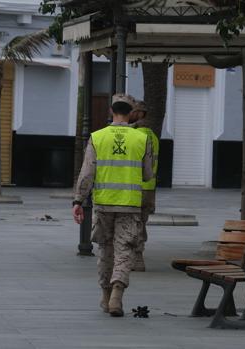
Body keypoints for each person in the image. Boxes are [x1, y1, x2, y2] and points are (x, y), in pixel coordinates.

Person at [72, 94, 153, 317]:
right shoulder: (141, 139)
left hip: (104, 204)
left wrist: (78, 200)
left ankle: (105, 295)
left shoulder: (97, 137)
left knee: (105, 249)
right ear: (131, 114)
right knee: (124, 249)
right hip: (130, 205)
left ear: (111, 111)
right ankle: (117, 293)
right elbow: (148, 175)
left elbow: (87, 172)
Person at [131, 100, 160, 272]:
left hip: (137, 187)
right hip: (149, 188)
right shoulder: (153, 136)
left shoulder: (137, 135)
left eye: (133, 111)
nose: (130, 114)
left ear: (141, 114)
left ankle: (136, 257)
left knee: (134, 224)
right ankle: (137, 257)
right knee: (141, 222)